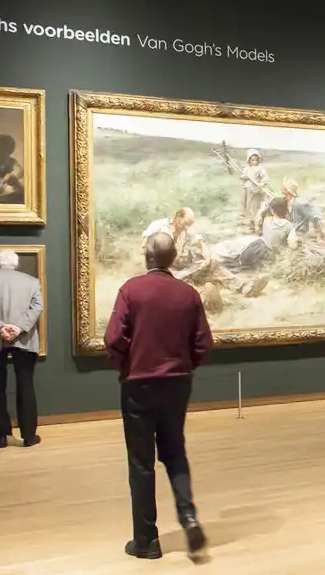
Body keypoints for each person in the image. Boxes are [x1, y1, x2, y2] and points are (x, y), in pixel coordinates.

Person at [104, 232, 213, 560]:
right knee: (175, 452)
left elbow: (113, 338)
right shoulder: (188, 294)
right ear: (173, 258)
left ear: (147, 257)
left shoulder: (131, 290)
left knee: (141, 463)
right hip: (177, 384)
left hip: (138, 385)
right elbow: (204, 343)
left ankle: (147, 541)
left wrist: (126, 364)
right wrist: (184, 366)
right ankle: (188, 517)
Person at [0, 249, 44, 449]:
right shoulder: (32, 282)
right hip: (25, 340)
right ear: (16, 263)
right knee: (26, 385)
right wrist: (19, 328)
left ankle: (0, 437)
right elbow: (37, 307)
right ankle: (29, 436)